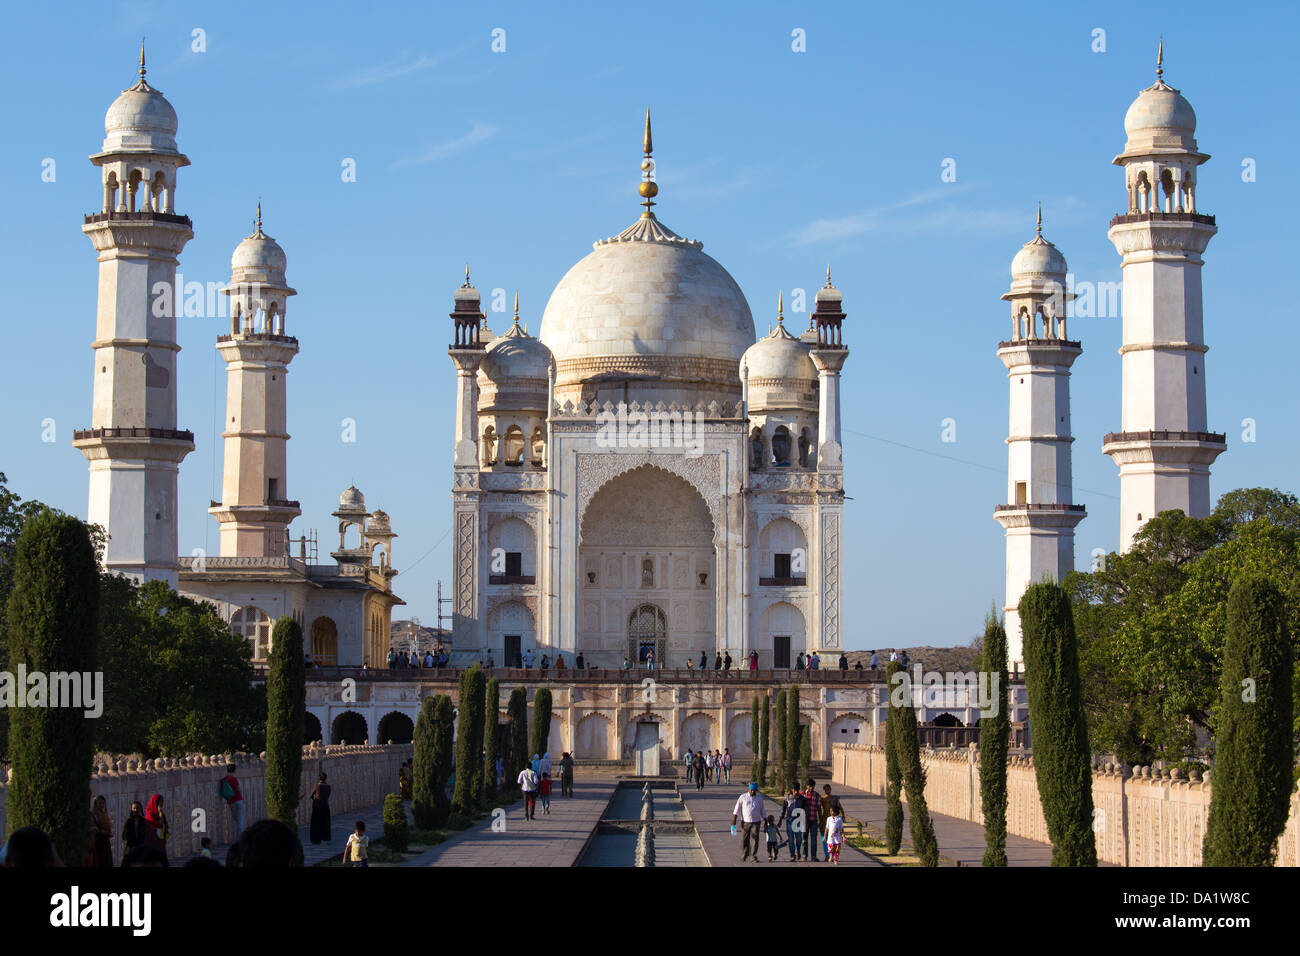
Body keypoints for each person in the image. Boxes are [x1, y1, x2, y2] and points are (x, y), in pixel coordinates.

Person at [731, 782, 765, 863]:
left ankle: (753, 856)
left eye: (754, 790)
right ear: (748, 789)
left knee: (754, 839)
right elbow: (737, 809)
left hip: (756, 822)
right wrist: (734, 819)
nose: (753, 792)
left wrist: (765, 820)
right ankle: (744, 854)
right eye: (751, 790)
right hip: (745, 822)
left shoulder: (759, 798)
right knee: (744, 839)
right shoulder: (743, 797)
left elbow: (762, 810)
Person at [777, 785, 807, 861]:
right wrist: (780, 819)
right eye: (795, 790)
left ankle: (797, 851)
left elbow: (805, 810)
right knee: (791, 839)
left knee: (799, 839)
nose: (796, 792)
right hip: (790, 820)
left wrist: (805, 821)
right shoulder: (788, 798)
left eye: (797, 790)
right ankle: (792, 855)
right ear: (792, 790)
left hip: (799, 821)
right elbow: (783, 809)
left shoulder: (802, 799)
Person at [220, 762, 245, 838]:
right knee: (240, 821)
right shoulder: (234, 779)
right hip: (238, 800)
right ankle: (240, 839)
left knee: (236, 820)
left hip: (231, 802)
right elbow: (238, 789)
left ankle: (235, 836)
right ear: (234, 771)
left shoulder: (223, 780)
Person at [821, 784, 844, 860]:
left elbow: (839, 806)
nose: (827, 791)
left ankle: (833, 855)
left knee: (833, 839)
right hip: (825, 820)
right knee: (825, 840)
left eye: (828, 789)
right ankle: (827, 855)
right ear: (824, 790)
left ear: (830, 789)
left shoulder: (834, 799)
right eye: (825, 789)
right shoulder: (822, 798)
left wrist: (843, 814)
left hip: (833, 821)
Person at [121, 801, 149, 865]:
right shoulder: (129, 821)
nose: (136, 810)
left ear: (141, 809)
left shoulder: (143, 821)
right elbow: (124, 835)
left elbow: (146, 833)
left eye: (137, 808)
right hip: (131, 845)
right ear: (131, 810)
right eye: (134, 808)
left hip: (141, 845)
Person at [144, 794, 169, 863]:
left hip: (160, 841)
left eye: (162, 802)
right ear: (156, 803)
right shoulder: (150, 814)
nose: (162, 804)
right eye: (161, 802)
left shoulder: (161, 814)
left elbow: (164, 825)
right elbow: (157, 825)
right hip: (153, 842)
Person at [88, 795, 113, 867]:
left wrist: (108, 833)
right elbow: (93, 828)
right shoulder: (93, 815)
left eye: (103, 803)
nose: (101, 805)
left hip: (105, 843)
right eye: (100, 803)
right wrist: (101, 831)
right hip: (97, 843)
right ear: (95, 804)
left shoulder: (104, 815)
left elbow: (108, 828)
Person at [310, 772, 332, 845]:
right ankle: (325, 838)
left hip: (317, 807)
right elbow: (328, 796)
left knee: (316, 823)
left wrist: (314, 800)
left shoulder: (317, 786)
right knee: (325, 823)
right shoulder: (328, 786)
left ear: (319, 778)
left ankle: (316, 839)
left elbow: (311, 795)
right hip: (325, 806)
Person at [802, 781, 821, 861]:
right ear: (806, 786)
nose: (811, 788)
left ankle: (813, 856)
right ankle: (804, 856)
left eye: (812, 786)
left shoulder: (817, 795)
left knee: (814, 839)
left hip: (813, 820)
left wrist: (821, 819)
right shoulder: (803, 794)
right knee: (804, 838)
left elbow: (819, 808)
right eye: (810, 786)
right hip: (804, 820)